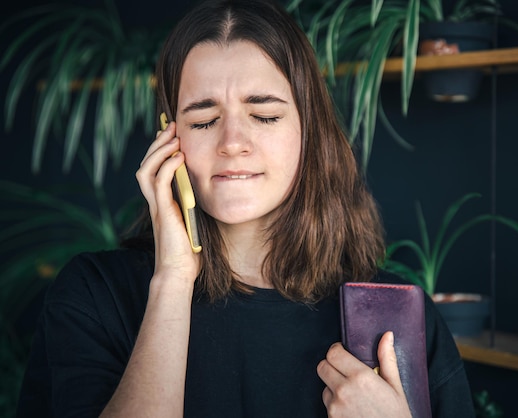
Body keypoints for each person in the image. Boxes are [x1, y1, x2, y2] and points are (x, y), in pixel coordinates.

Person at [17, 0, 475, 416]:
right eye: (203, 120)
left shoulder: (393, 318)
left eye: (265, 115)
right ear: (168, 137)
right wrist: (173, 280)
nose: (232, 143)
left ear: (308, 130)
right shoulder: (94, 296)